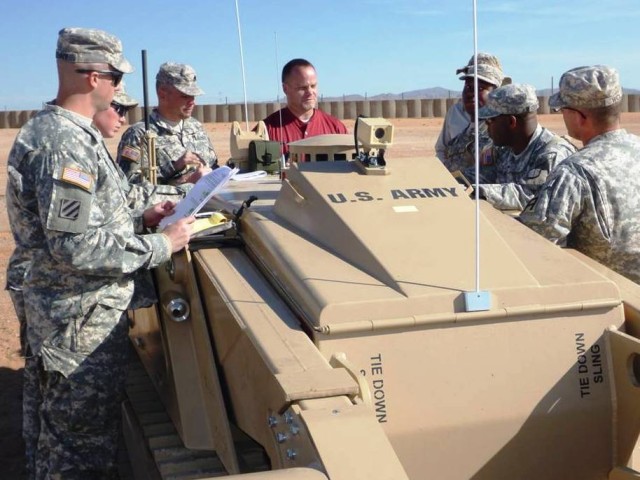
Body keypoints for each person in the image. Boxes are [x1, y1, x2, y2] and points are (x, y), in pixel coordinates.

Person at [6, 27, 193, 478]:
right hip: (78, 325)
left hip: (70, 318)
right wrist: (160, 245)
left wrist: (141, 215)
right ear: (92, 76)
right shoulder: (62, 143)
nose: (117, 88)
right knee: (81, 450)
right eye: (115, 75)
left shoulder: (64, 133)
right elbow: (74, 247)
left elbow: (90, 218)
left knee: (57, 437)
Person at [519, 65, 640, 283]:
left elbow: (534, 244)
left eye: (562, 109)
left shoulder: (574, 172)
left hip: (615, 304)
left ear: (579, 117)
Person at [465, 83, 576, 211]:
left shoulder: (552, 154)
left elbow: (531, 197)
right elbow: (480, 176)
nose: (486, 126)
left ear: (511, 122)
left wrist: (477, 191)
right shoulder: (503, 149)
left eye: (490, 121)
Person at [117, 62, 217, 185]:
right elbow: (128, 186)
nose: (192, 102)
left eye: (194, 96)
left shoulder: (196, 127)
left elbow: (214, 165)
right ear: (162, 93)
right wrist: (173, 168)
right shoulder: (139, 134)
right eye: (185, 96)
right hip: (171, 203)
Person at [261, 58, 348, 159]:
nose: (310, 92)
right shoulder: (266, 131)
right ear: (285, 89)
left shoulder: (336, 128)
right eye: (302, 88)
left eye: (313, 86)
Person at [435, 53, 506, 173]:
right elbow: (442, 149)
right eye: (468, 85)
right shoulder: (455, 112)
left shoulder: (505, 118)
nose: (471, 93)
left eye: (480, 87)